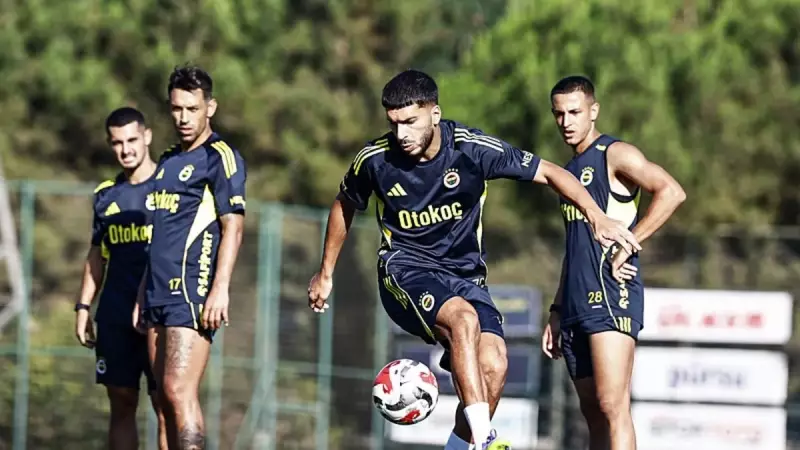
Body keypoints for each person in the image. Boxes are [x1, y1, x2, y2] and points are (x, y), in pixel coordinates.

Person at [307, 69, 641, 450]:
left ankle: (459, 446)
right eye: (394, 123)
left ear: (435, 114)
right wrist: (325, 272)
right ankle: (484, 440)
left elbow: (549, 172)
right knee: (463, 320)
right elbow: (344, 204)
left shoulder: (471, 148)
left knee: (494, 366)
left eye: (411, 122)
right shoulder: (375, 160)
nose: (402, 134)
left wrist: (596, 216)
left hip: (466, 279)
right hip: (405, 270)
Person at [541, 75, 686, 450]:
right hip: (573, 302)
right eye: (559, 114)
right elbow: (574, 246)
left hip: (611, 291)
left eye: (575, 112)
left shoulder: (614, 153)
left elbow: (672, 192)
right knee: (592, 413)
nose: (566, 122)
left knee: (612, 403)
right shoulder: (567, 172)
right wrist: (556, 309)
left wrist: (632, 241)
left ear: (594, 111)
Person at [135, 65, 246, 449]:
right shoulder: (165, 161)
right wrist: (141, 293)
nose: (183, 118)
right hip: (156, 295)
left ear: (209, 108)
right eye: (177, 109)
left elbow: (233, 226)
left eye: (192, 109)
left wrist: (221, 289)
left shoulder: (220, 157)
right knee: (161, 400)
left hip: (191, 291)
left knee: (178, 389)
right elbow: (158, 236)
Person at [74, 106, 167, 450]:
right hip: (114, 314)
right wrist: (83, 306)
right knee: (122, 404)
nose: (126, 149)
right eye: (117, 143)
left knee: (165, 405)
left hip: (160, 315)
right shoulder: (106, 194)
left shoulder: (171, 188)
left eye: (132, 140)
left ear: (147, 137)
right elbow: (96, 254)